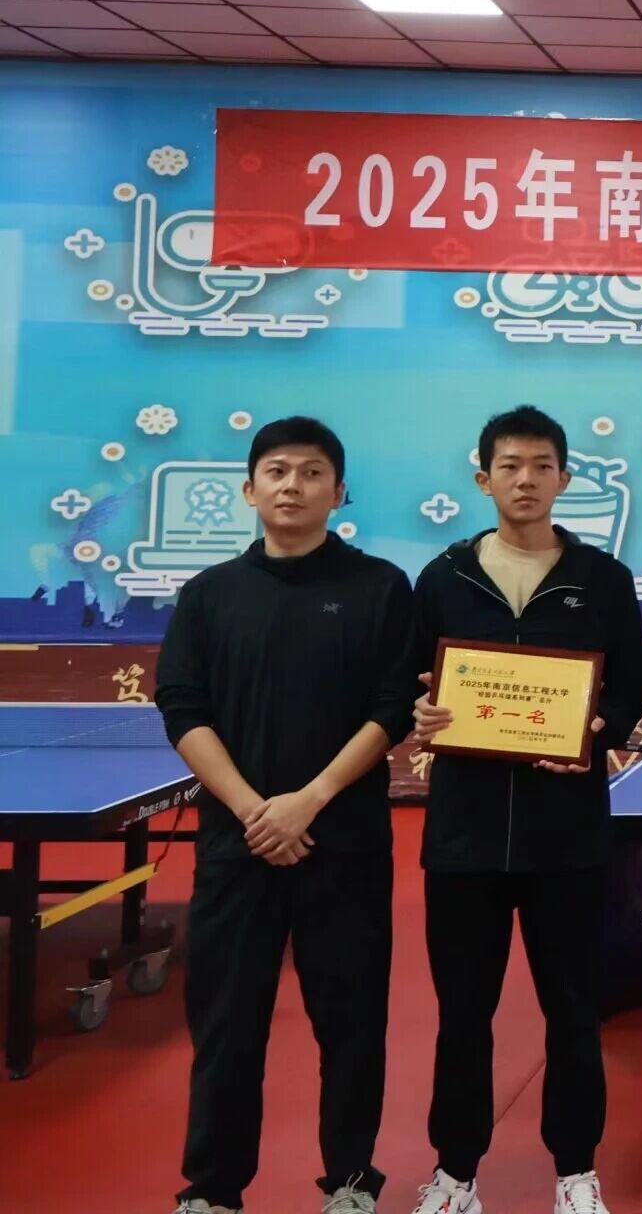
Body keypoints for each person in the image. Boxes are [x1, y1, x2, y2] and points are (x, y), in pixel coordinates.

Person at [157, 417, 419, 1214]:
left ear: (339, 493)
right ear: (250, 489)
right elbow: (182, 707)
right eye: (276, 471)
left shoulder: (381, 587)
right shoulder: (209, 595)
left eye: (311, 473)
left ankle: (351, 1181)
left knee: (351, 1023)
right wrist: (252, 810)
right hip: (236, 848)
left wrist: (308, 800)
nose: (293, 486)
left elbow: (392, 709)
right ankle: (213, 1189)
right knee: (226, 1024)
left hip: (344, 845)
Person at [402, 407, 642, 1214]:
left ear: (563, 478)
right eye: (509, 465)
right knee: (462, 1018)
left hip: (568, 840)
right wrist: (422, 713)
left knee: (574, 1015)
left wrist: (597, 728)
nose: (525, 479)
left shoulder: (601, 578)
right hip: (464, 839)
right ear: (484, 478)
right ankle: (455, 1174)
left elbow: (632, 685)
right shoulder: (444, 577)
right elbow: (410, 682)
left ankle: (576, 1172)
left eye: (541, 465)